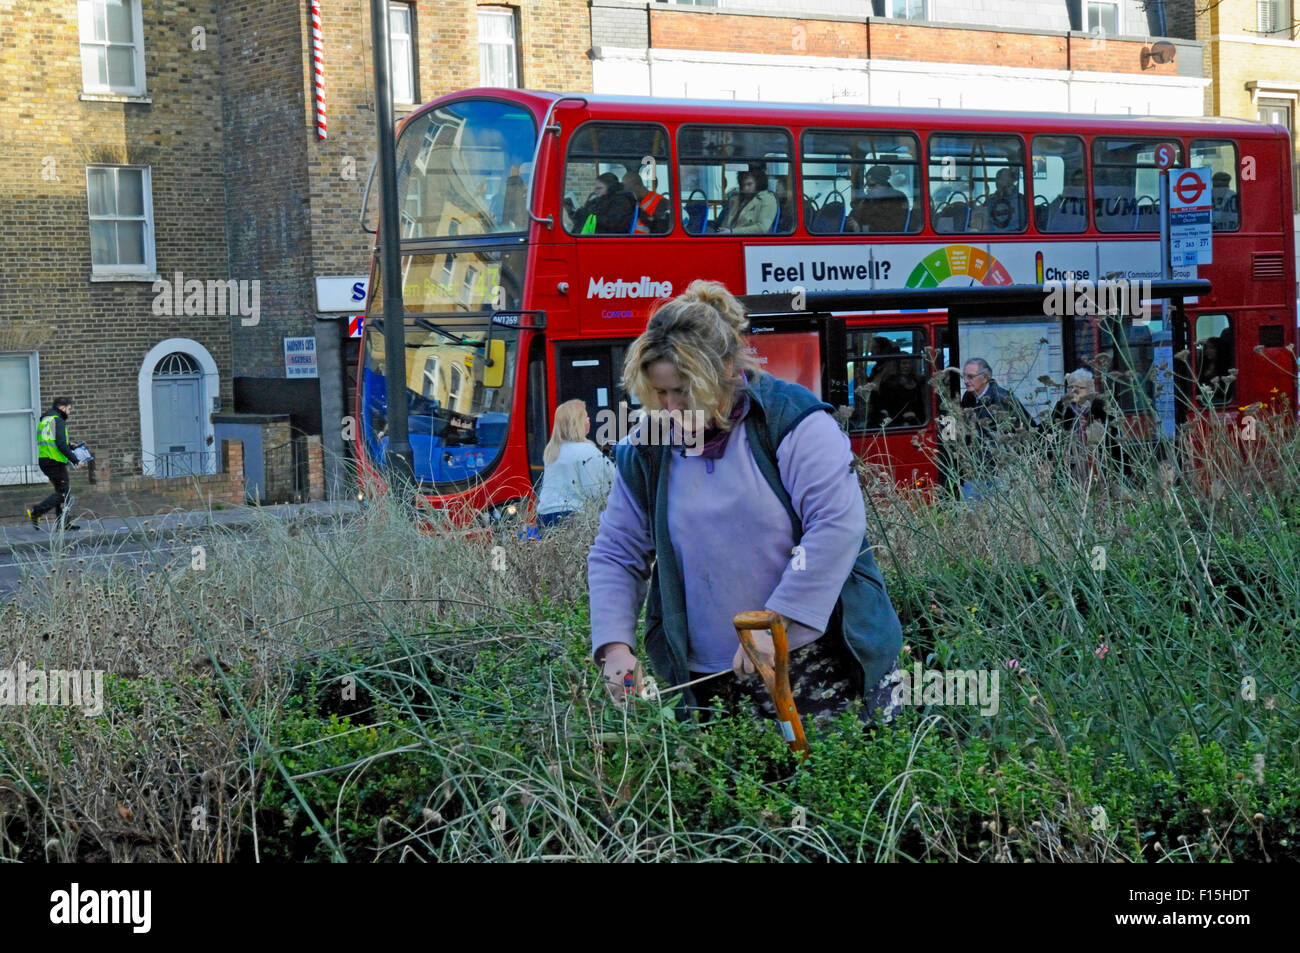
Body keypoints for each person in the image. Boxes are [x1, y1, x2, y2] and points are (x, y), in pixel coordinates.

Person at [587, 280, 904, 727]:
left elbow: (835, 526)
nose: (672, 406)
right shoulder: (646, 447)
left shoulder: (794, 421)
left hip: (821, 656)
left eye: (684, 390)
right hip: (708, 676)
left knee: (836, 786)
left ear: (727, 371)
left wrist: (775, 624)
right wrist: (616, 647)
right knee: (731, 796)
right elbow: (616, 554)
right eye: (661, 393)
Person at [957, 358, 1032, 500]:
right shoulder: (968, 397)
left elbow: (1025, 428)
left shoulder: (1002, 398)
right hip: (974, 470)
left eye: (970, 377)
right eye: (964, 376)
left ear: (985, 377)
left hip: (999, 471)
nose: (966, 381)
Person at [536, 399, 615, 530]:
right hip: (573, 516)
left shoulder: (553, 451)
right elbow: (598, 491)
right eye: (585, 417)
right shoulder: (587, 451)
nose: (589, 420)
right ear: (577, 423)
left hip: (545, 514)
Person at [1048, 369, 1118, 482]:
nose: (1073, 390)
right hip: (1069, 471)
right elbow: (1050, 435)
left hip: (1099, 468)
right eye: (1070, 387)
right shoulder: (1061, 409)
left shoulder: (1101, 411)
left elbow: (1114, 444)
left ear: (1090, 390)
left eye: (1079, 387)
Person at [29, 396, 85, 531]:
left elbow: (53, 441)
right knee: (63, 493)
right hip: (54, 461)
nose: (69, 412)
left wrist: (70, 446)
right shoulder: (57, 420)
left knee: (63, 492)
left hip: (46, 460)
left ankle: (63, 524)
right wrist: (76, 460)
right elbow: (60, 444)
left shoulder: (46, 419)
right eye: (69, 409)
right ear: (62, 407)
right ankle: (37, 511)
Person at [566, 172, 636, 235]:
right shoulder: (599, 199)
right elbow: (582, 221)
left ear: (611, 188)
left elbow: (611, 223)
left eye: (599, 188)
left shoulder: (621, 201)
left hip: (608, 239)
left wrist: (588, 212)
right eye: (595, 188)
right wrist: (570, 210)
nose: (595, 191)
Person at [712, 169, 778, 234]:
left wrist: (733, 232)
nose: (745, 188)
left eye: (749, 184)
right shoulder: (739, 199)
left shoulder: (767, 199)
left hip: (749, 240)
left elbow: (762, 228)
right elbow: (726, 222)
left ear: (758, 183)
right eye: (743, 185)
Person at [851, 165, 909, 233]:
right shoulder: (868, 199)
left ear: (883, 184)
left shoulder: (897, 199)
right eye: (867, 186)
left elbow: (889, 230)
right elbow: (857, 215)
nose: (869, 189)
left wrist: (859, 228)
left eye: (872, 185)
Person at [621, 170, 671, 235]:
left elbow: (661, 230)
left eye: (629, 190)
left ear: (638, 186)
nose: (628, 194)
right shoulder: (634, 202)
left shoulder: (661, 202)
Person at [987, 167, 1027, 231]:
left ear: (1011, 181)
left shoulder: (1020, 200)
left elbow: (1024, 224)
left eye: (1002, 179)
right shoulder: (990, 200)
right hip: (992, 236)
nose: (999, 182)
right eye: (997, 179)